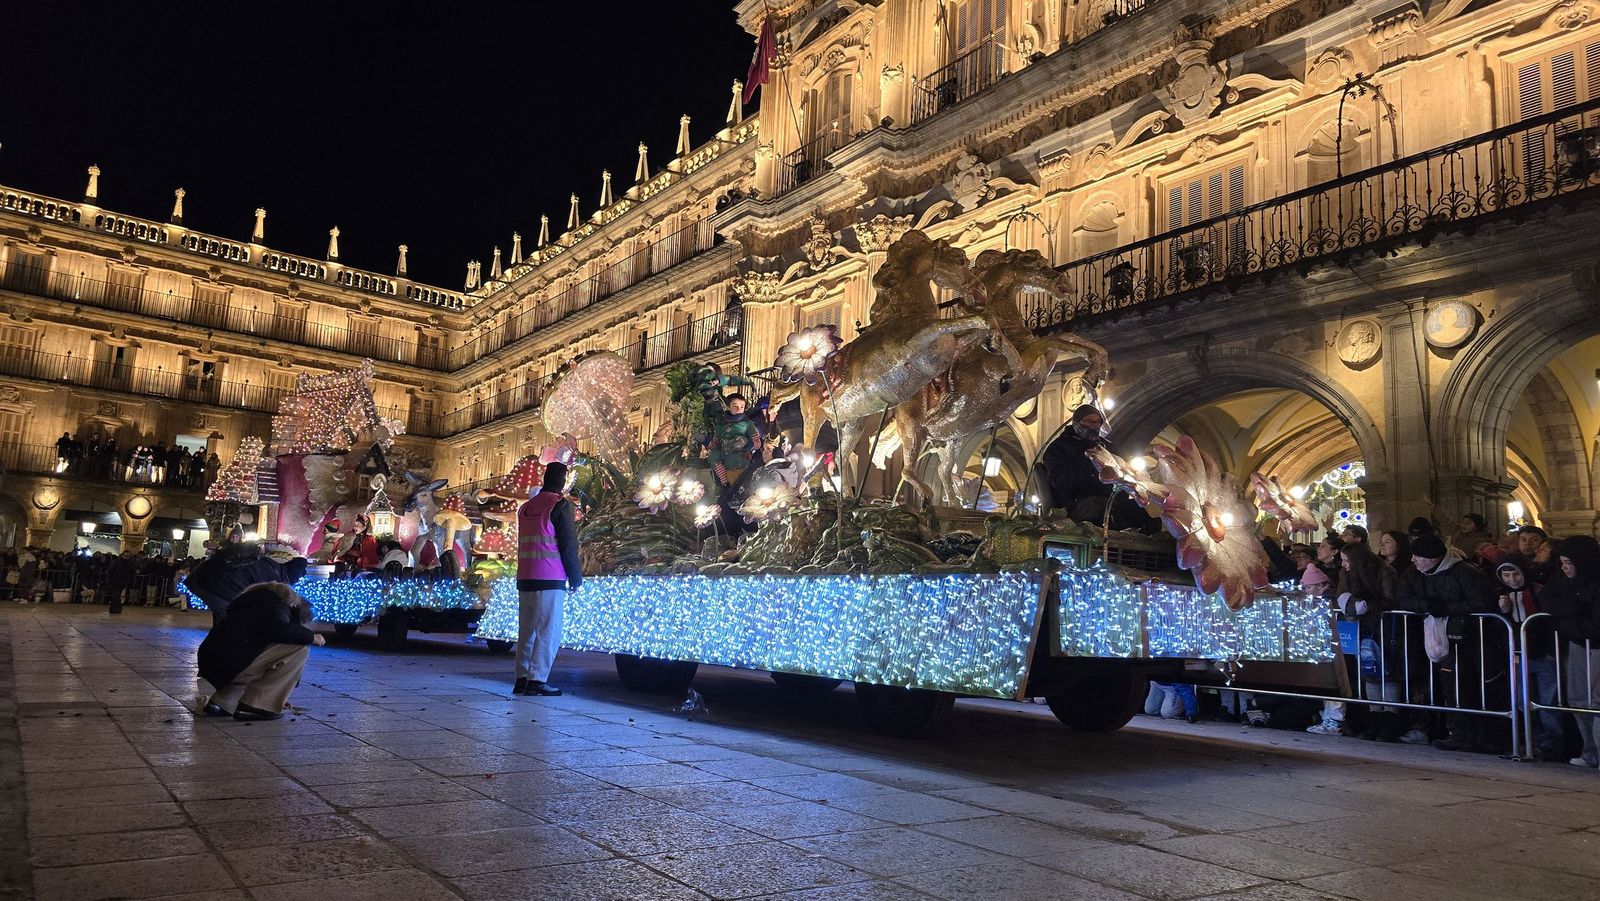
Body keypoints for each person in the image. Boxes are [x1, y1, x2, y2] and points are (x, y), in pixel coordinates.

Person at [1394, 532, 1507, 753]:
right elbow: (1402, 597)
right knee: (1451, 685)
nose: (1412, 560)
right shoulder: (1414, 573)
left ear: (1434, 558)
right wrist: (1426, 605)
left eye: (1418, 556)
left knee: (1477, 686)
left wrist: (1446, 608)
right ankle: (1458, 732)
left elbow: (1481, 601)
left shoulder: (1465, 573)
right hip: (1438, 638)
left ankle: (1489, 736)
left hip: (1473, 637)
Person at [196, 581, 324, 721]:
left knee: (256, 655)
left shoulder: (254, 602)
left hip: (212, 664)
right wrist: (310, 636)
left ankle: (223, 702)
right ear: (295, 607)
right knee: (299, 648)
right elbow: (279, 630)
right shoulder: (276, 606)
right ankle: (259, 706)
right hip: (229, 664)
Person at [514, 461, 581, 697]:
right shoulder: (560, 505)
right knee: (548, 631)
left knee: (527, 631)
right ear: (563, 480)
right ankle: (537, 680)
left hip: (525, 577)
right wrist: (575, 577)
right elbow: (568, 544)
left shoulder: (526, 507)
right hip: (550, 576)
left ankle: (521, 678)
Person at [1495, 555, 1564, 761]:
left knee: (1548, 702)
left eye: (1515, 574)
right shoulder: (1501, 595)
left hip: (1543, 654)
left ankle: (1552, 742)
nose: (1512, 580)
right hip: (1519, 654)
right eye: (1506, 575)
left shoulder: (1539, 591)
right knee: (1522, 700)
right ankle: (1530, 739)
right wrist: (1504, 611)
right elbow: (1499, 626)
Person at [1540, 535, 1600, 768]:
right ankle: (1590, 750)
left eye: (1569, 563)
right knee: (1577, 699)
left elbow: (1595, 624)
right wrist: (1572, 612)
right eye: (1562, 563)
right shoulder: (1562, 579)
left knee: (1596, 701)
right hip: (1577, 644)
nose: (1565, 568)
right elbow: (1547, 598)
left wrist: (1563, 621)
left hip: (1595, 646)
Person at [1335, 542, 1403, 741]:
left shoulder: (1384, 572)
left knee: (1387, 671)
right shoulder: (1345, 574)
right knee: (1368, 671)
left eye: (1347, 561)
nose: (1344, 564)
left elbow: (1391, 600)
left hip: (1384, 627)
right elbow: (1341, 594)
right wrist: (1347, 603)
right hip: (1361, 626)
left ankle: (1390, 718)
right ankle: (1375, 716)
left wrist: (1367, 606)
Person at [183, 534, 308, 624]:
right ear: (292, 575)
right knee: (231, 620)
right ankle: (221, 654)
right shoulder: (274, 580)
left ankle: (217, 648)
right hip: (212, 585)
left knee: (224, 617)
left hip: (203, 577)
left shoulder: (270, 564)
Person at [1042, 405, 1110, 521]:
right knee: (1104, 509)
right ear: (1077, 423)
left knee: (1135, 508)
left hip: (1108, 497)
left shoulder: (1106, 446)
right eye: (1089, 422)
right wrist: (1092, 469)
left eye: (1097, 422)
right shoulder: (1058, 447)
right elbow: (1058, 479)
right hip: (1075, 502)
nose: (1093, 426)